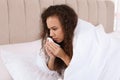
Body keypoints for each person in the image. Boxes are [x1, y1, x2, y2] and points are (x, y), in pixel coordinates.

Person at [37, 4, 120, 80]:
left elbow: (84, 73)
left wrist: (63, 56)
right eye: (49, 29)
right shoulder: (58, 40)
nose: (51, 34)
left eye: (54, 29)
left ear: (66, 26)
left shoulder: (85, 37)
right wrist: (52, 57)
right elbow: (51, 70)